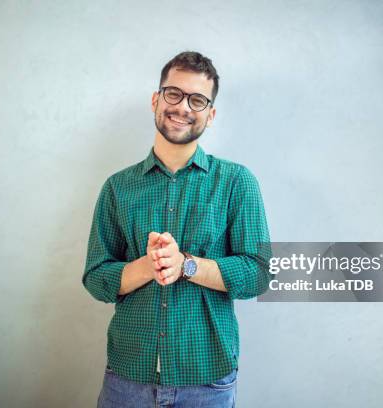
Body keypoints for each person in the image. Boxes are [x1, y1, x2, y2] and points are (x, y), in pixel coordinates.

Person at [83, 51, 271, 408]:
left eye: (197, 100)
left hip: (206, 382)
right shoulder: (117, 187)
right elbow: (95, 278)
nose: (183, 106)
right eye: (174, 93)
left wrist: (185, 264)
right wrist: (147, 265)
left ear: (210, 115)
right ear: (156, 99)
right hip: (127, 379)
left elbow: (259, 273)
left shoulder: (236, 182)